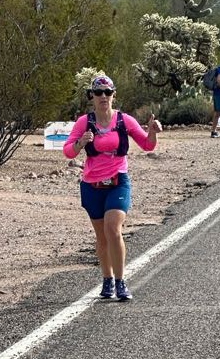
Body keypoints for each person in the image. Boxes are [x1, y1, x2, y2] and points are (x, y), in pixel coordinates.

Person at [63, 75, 161, 301]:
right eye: (98, 93)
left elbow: (147, 145)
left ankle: (120, 281)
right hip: (92, 185)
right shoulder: (84, 122)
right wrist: (81, 142)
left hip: (118, 181)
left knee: (113, 228)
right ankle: (107, 280)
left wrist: (153, 132)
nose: (103, 97)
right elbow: (68, 151)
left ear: (113, 95)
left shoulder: (124, 120)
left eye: (107, 92)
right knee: (102, 236)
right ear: (92, 96)